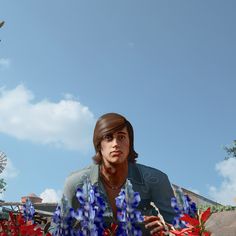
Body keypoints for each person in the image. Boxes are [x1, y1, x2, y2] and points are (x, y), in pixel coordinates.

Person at [63, 113, 176, 235]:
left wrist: (167, 229)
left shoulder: (155, 179)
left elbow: (183, 226)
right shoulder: (76, 182)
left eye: (121, 137)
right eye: (108, 138)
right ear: (99, 144)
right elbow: (59, 228)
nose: (115, 144)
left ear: (130, 143)